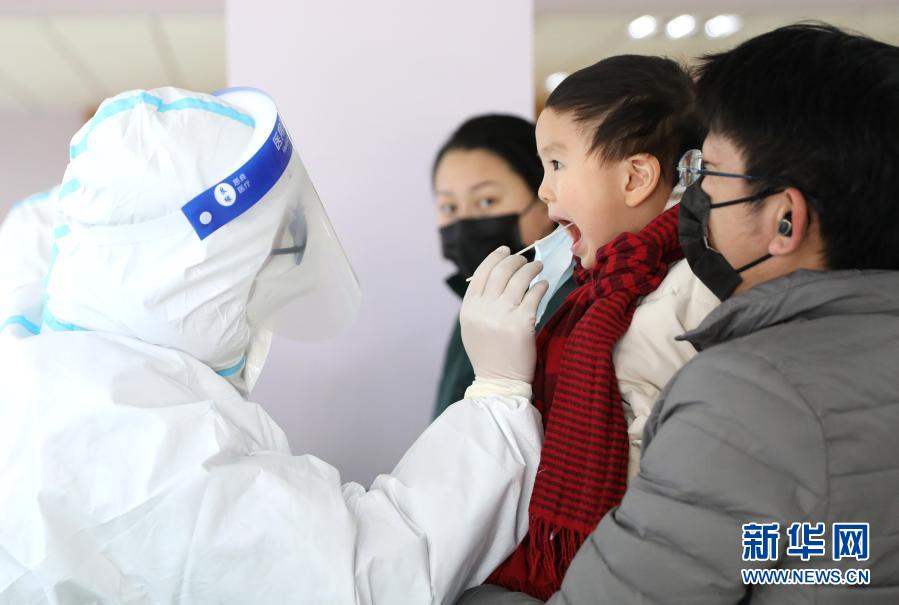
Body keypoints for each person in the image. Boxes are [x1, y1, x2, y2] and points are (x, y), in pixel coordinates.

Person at [0, 86, 549, 604]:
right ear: (194, 266)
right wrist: (497, 402)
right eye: (257, 251)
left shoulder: (54, 362)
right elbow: (373, 577)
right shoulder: (142, 438)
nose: (271, 270)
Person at [459, 23, 899, 604]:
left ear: (785, 220)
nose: (690, 197)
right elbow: (814, 561)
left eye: (707, 174)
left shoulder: (745, 390)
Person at [470, 55, 719, 600]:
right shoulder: (599, 289)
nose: (544, 190)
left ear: (635, 178)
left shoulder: (693, 289)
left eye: (557, 164)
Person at [433, 114, 574, 418]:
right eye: (449, 206)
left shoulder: (571, 305)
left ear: (544, 198)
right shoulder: (476, 304)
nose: (464, 221)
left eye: (486, 201)